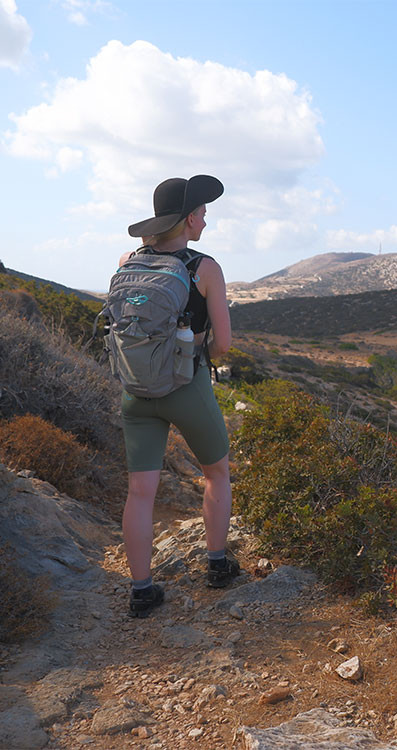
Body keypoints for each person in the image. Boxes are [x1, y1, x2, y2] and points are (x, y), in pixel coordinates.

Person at [119, 175, 239, 618]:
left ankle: (141, 590)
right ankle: (216, 564)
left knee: (140, 491)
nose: (206, 219)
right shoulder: (204, 268)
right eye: (203, 212)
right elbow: (223, 345)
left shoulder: (128, 259)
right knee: (217, 473)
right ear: (189, 219)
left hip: (135, 390)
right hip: (187, 386)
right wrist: (196, 352)